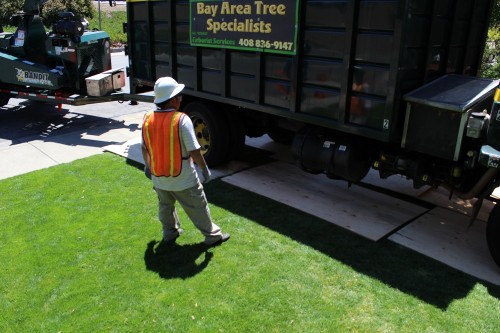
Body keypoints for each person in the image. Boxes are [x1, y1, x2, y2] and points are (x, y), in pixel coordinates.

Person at [141, 77, 230, 247]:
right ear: (172, 99)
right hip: (183, 178)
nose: (181, 99)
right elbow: (194, 150)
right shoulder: (181, 120)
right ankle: (212, 236)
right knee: (198, 205)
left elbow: (144, 147)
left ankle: (169, 233)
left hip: (158, 177)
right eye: (179, 96)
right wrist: (204, 169)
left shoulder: (147, 119)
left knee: (165, 206)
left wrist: (147, 167)